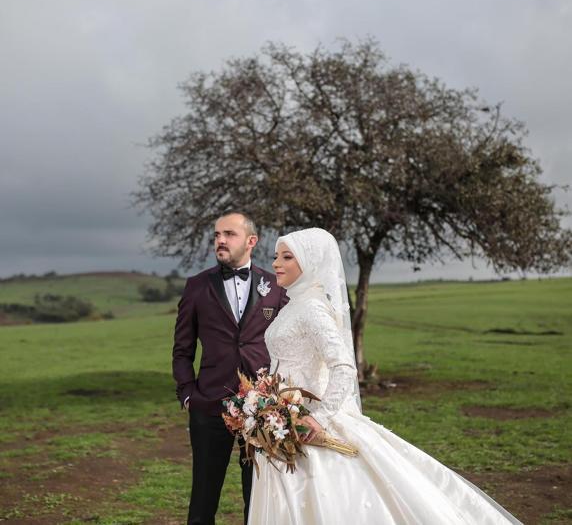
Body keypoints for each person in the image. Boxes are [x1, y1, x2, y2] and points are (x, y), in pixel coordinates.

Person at [247, 227, 523, 525]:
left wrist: (319, 418)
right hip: (282, 422)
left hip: (309, 424)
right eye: (276, 256)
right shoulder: (292, 305)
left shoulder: (313, 308)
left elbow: (344, 367)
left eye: (287, 257)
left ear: (311, 262)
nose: (276, 263)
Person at [172, 211, 288, 525]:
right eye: (217, 235)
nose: (220, 241)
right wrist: (188, 395)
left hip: (262, 410)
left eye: (229, 234)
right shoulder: (197, 286)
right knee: (203, 500)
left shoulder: (274, 285)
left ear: (251, 241)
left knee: (260, 497)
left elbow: (290, 343)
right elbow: (182, 349)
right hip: (209, 407)